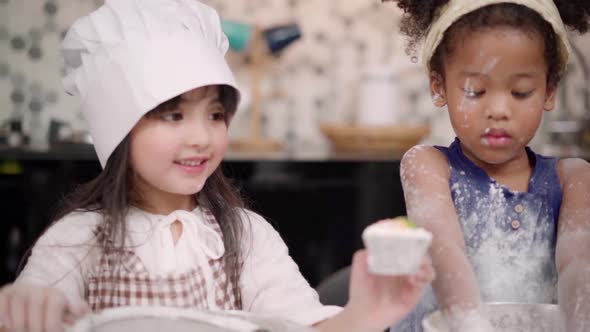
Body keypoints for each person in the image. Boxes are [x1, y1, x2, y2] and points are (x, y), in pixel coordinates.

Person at [0, 1, 434, 332]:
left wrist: (366, 314)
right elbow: (32, 305)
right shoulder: (75, 241)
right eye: (173, 115)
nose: (201, 137)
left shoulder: (247, 235)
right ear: (119, 128)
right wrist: (24, 306)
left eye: (214, 114)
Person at [384, 0, 590, 331]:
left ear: (549, 91)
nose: (498, 110)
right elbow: (444, 251)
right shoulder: (427, 165)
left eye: (521, 92)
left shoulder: (574, 178)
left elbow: (578, 269)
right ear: (439, 87)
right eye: (475, 91)